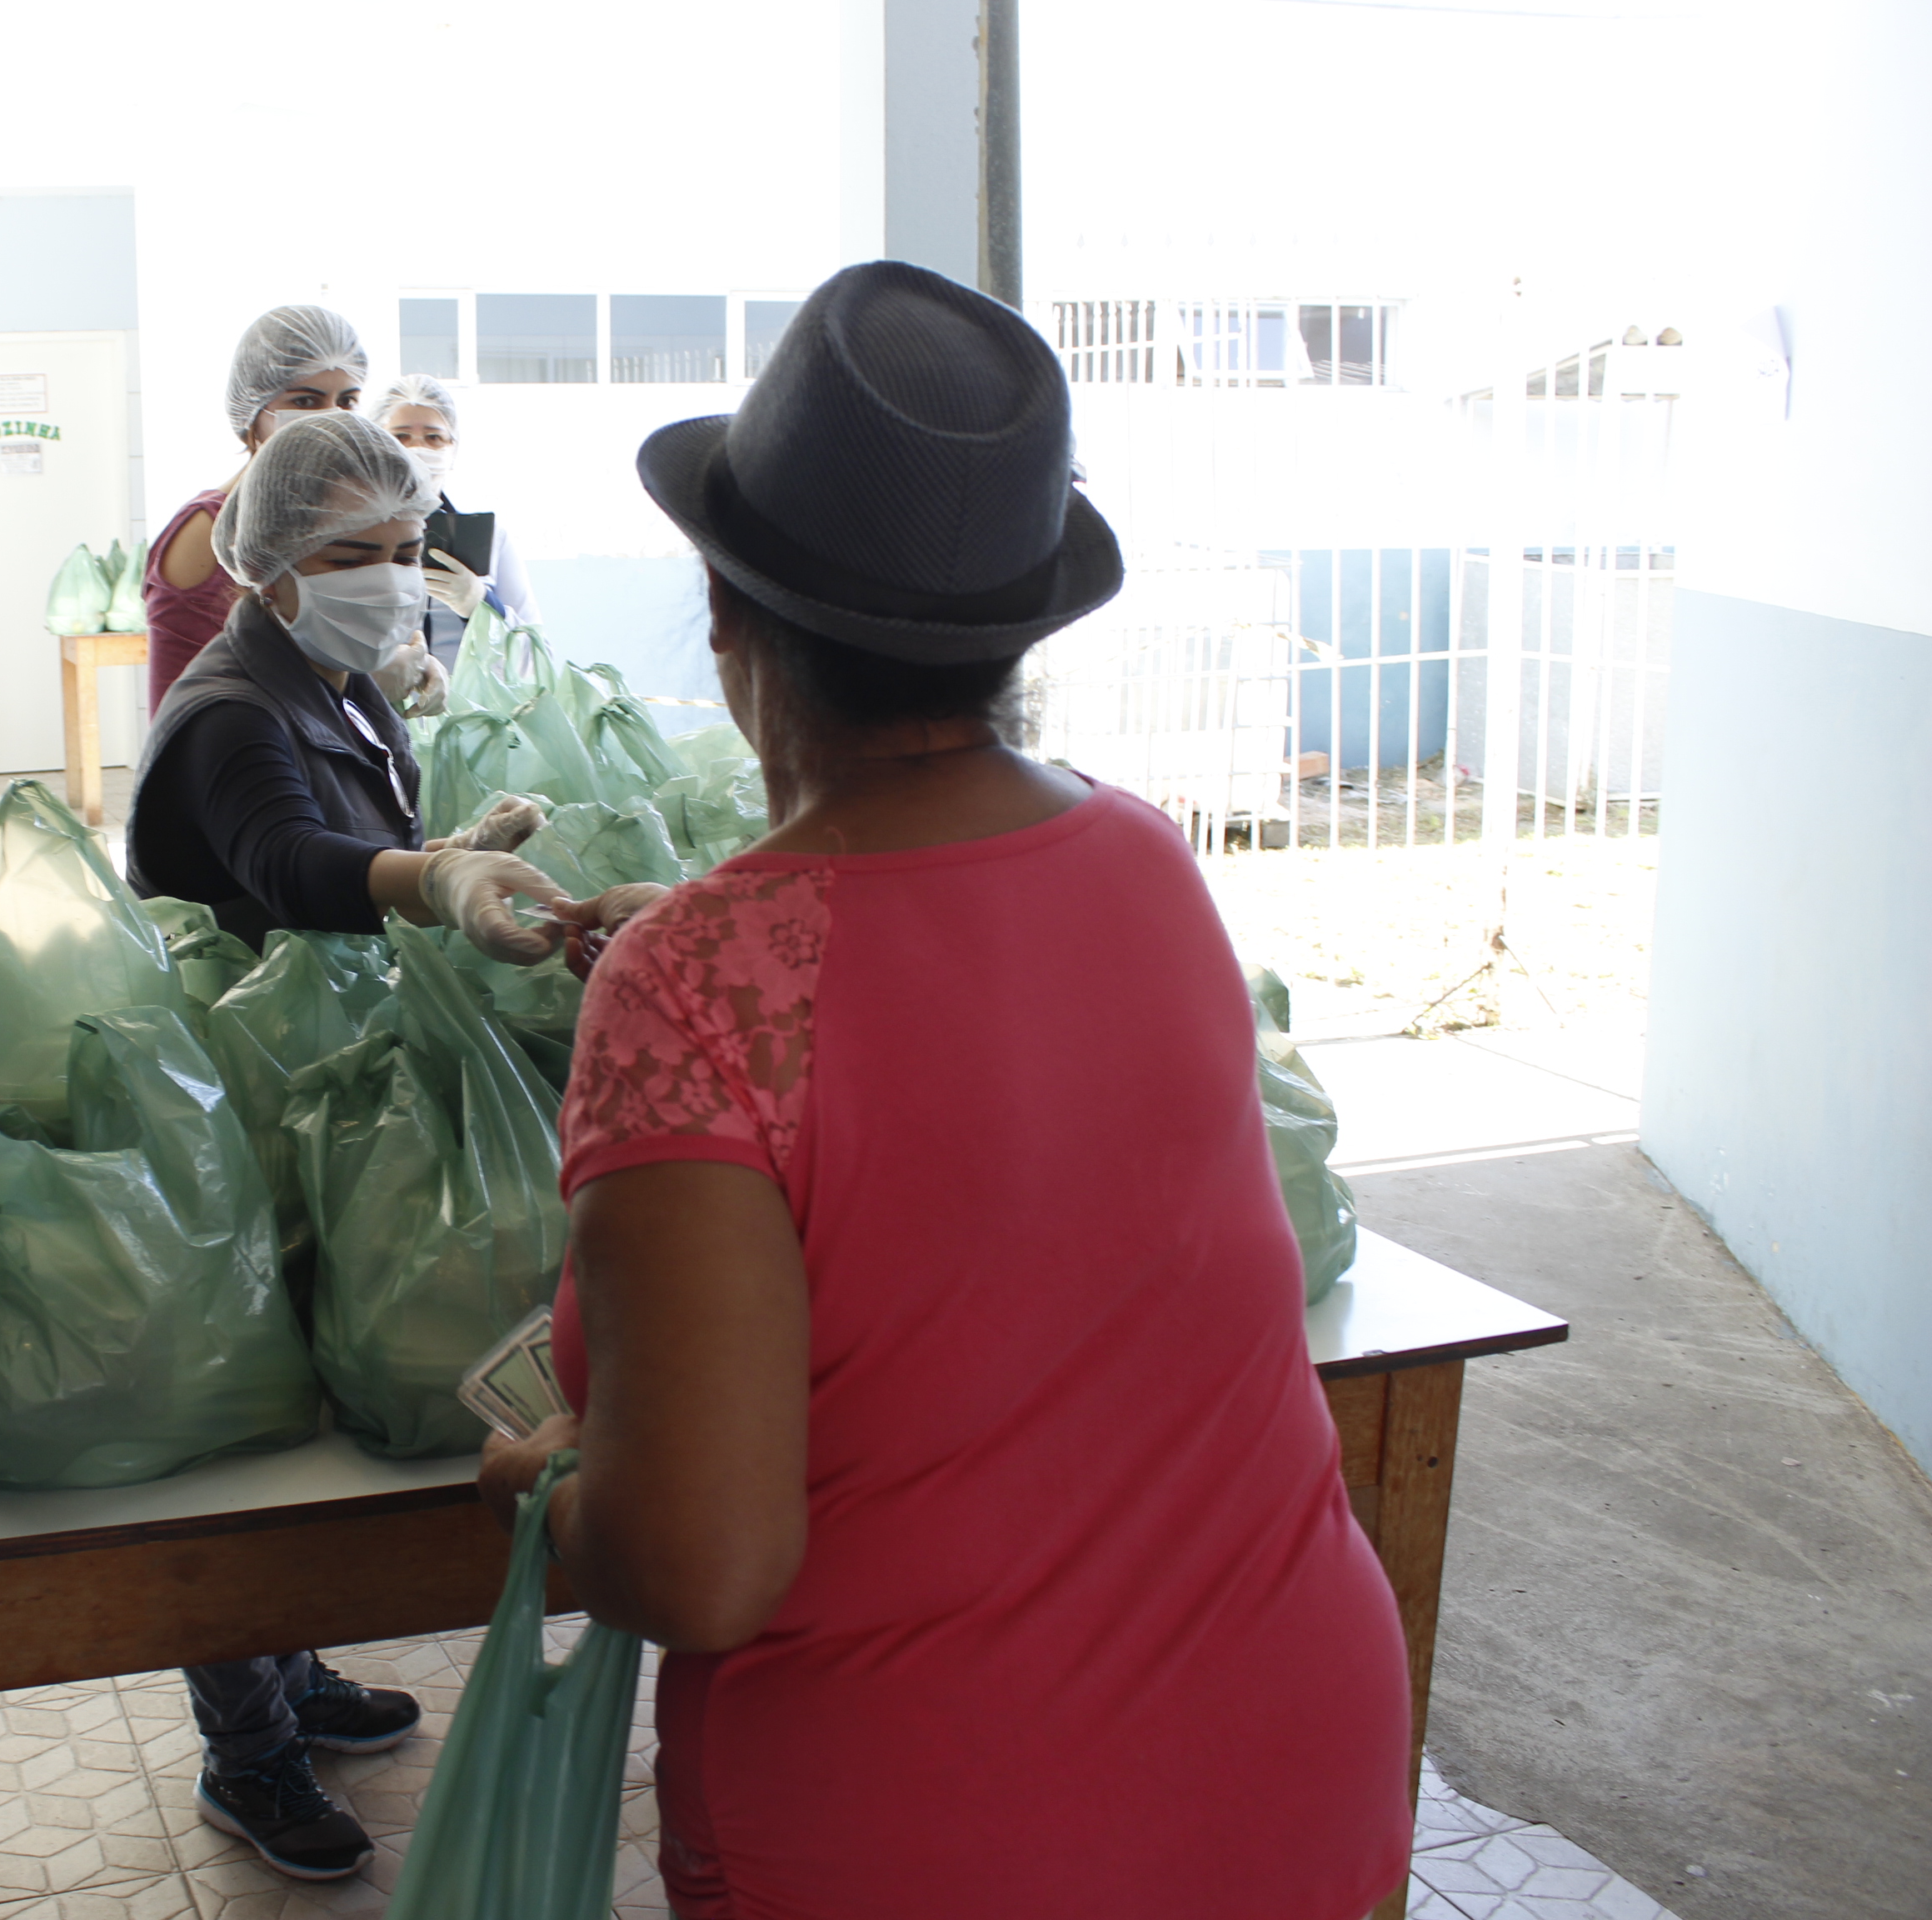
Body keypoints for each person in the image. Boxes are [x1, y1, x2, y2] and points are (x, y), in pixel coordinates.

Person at [478, 262, 1415, 1918]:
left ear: (724, 612)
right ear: (1013, 632)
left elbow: (700, 1565)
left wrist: (560, 1492)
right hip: (1293, 1760)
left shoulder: (694, 987)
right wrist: (716, 921)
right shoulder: (1142, 859)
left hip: (945, 1827)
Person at [123, 408, 570, 1884]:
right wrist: (424, 873)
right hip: (234, 1092)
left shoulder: (333, 673)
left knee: (301, 1410)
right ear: (268, 567)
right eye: (350, 554)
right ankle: (245, 1749)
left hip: (309, 1071)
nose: (391, 578)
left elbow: (356, 823)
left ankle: (291, 1680)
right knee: (242, 1440)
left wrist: (451, 835)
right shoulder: (234, 703)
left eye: (402, 549)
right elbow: (285, 862)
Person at [142, 305, 371, 715]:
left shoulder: (326, 522)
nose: (331, 420)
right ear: (254, 413)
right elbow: (182, 705)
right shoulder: (205, 530)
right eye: (305, 400)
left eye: (348, 402)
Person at [373, 372, 542, 670]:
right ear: (375, 444)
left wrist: (481, 605)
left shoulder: (491, 540)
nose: (418, 449)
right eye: (400, 436)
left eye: (434, 437)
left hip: (463, 711)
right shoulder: (349, 537)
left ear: (453, 448)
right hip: (374, 708)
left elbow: (537, 659)